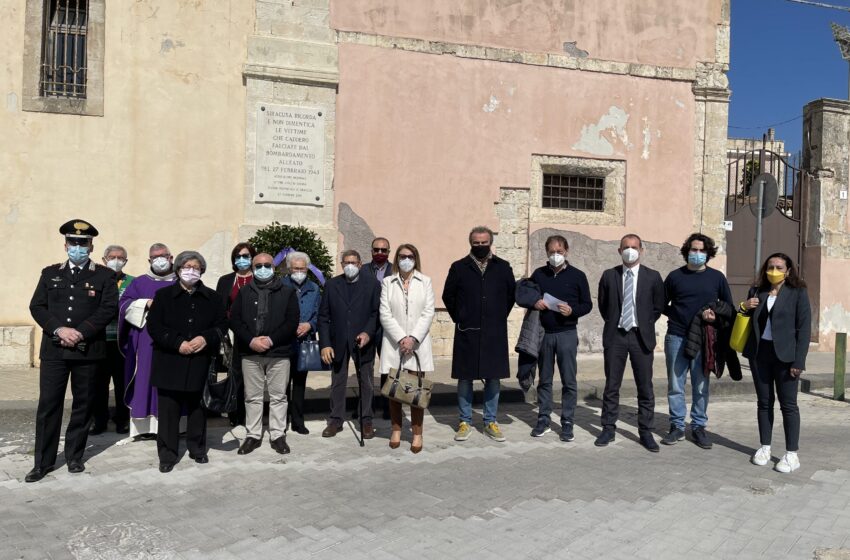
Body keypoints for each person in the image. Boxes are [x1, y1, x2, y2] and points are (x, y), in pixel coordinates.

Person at [26, 219, 118, 482]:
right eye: (73, 243)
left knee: (84, 405)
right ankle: (42, 463)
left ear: (91, 246)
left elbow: (108, 308)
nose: (78, 247)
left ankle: (75, 456)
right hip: (54, 351)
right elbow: (37, 307)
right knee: (48, 406)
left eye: (83, 243)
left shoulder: (104, 276)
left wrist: (81, 332)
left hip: (88, 351)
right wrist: (59, 330)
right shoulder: (49, 273)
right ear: (65, 245)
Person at [146, 251, 226, 473]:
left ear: (202, 270)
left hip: (200, 361)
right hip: (170, 360)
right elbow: (154, 327)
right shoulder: (163, 296)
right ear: (178, 269)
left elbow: (221, 325)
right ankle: (167, 454)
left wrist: (205, 338)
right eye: (187, 266)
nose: (191, 270)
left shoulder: (213, 297)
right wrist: (177, 342)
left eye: (196, 267)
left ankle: (197, 449)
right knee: (169, 412)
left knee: (197, 410)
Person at [443, 226, 516, 442]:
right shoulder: (459, 267)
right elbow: (449, 296)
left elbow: (510, 295)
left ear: (490, 242)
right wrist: (461, 316)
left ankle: (490, 421)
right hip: (468, 330)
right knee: (465, 378)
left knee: (493, 377)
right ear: (470, 243)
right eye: (476, 243)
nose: (481, 246)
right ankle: (465, 420)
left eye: (484, 243)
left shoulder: (503, 267)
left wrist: (498, 315)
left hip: (494, 331)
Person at [662, 232, 733, 449]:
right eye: (694, 249)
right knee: (676, 384)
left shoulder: (717, 278)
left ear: (708, 253)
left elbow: (728, 306)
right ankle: (676, 426)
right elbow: (662, 304)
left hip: (705, 339)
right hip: (677, 336)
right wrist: (678, 314)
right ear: (687, 251)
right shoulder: (675, 277)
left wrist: (715, 316)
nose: (697, 254)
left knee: (701, 384)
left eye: (702, 250)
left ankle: (699, 426)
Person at [742, 253, 811, 473]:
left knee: (788, 405)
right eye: (771, 266)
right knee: (764, 402)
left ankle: (792, 454)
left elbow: (804, 328)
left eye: (779, 267)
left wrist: (799, 360)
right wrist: (745, 306)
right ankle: (765, 447)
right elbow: (745, 319)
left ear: (788, 271)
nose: (774, 270)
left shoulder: (798, 293)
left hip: (787, 357)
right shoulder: (757, 291)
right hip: (760, 354)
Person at [596, 234, 665, 451]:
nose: (630, 250)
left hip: (641, 337)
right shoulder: (609, 275)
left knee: (645, 386)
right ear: (619, 251)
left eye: (634, 247)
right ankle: (608, 428)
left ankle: (646, 431)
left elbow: (658, 306)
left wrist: (642, 323)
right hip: (616, 336)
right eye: (625, 247)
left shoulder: (653, 277)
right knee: (611, 386)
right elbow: (604, 306)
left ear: (641, 250)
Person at [231, 253, 300, 455]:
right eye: (258, 265)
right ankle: (253, 435)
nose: (263, 268)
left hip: (279, 352)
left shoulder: (287, 292)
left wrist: (270, 340)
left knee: (279, 396)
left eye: (267, 265)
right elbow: (235, 320)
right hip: (250, 352)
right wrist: (251, 340)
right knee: (252, 396)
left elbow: (291, 322)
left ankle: (278, 435)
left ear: (274, 267)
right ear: (252, 268)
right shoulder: (244, 292)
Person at [530, 235, 592, 442]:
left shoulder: (578, 276)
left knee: (569, 381)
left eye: (559, 251)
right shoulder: (539, 274)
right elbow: (526, 295)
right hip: (545, 335)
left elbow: (587, 304)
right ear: (546, 252)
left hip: (567, 334)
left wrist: (572, 310)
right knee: (544, 380)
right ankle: (544, 419)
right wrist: (535, 302)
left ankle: (567, 422)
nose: (555, 255)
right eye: (551, 252)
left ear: (566, 251)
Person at [379, 244, 436, 453]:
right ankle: (396, 429)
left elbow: (428, 312)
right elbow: (384, 313)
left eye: (410, 256)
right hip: (394, 344)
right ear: (396, 259)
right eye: (402, 256)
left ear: (416, 258)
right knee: (394, 389)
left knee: (416, 391)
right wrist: (401, 337)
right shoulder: (388, 282)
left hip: (417, 345)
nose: (406, 260)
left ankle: (417, 433)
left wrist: (412, 338)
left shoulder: (425, 281)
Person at [318, 250, 381, 439]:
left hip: (363, 341)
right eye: (346, 263)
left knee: (366, 382)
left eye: (353, 262)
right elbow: (323, 317)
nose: (350, 266)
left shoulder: (372, 284)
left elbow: (376, 313)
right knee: (338, 382)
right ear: (342, 265)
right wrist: (325, 344)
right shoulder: (331, 285)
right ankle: (336, 420)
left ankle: (366, 420)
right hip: (338, 342)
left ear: (361, 264)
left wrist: (368, 333)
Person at [119, 243, 176, 438]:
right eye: (155, 257)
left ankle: (174, 425)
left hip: (173, 342)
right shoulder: (139, 282)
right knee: (145, 378)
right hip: (145, 341)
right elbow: (124, 305)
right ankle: (145, 427)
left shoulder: (181, 280)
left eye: (163, 255)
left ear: (171, 257)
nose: (159, 259)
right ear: (149, 260)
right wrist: (145, 303)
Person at [91, 244, 134, 435]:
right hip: (99, 340)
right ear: (104, 259)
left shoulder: (133, 282)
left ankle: (122, 419)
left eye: (120, 258)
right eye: (112, 257)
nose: (116, 261)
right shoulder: (94, 279)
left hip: (122, 342)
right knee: (98, 384)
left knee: (122, 384)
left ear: (125, 261)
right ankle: (99, 420)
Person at [215, 242, 257, 427]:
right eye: (238, 256)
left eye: (246, 256)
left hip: (256, 333)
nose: (242, 260)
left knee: (254, 375)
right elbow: (220, 308)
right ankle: (235, 413)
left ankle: (253, 414)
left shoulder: (259, 277)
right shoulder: (226, 280)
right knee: (236, 374)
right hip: (233, 334)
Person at [281, 251, 322, 435]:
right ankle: (280, 422)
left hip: (304, 342)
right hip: (284, 342)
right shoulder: (280, 286)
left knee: (299, 384)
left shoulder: (314, 288)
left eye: (302, 268)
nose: (299, 272)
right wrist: (289, 327)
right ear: (289, 269)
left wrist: (309, 325)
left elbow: (320, 314)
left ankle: (298, 421)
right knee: (281, 384)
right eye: (296, 268)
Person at [364, 236, 394, 420]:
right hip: (368, 325)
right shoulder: (363, 270)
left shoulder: (395, 270)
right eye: (377, 250)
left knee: (388, 368)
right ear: (372, 251)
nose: (380, 253)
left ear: (389, 252)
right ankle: (366, 406)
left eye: (384, 250)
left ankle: (388, 406)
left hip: (388, 327)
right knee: (366, 368)